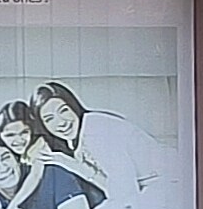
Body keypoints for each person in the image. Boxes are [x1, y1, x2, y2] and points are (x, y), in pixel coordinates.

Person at [34, 81, 162, 201]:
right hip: (147, 190)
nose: (61, 122)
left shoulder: (96, 129)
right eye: (49, 119)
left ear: (74, 106)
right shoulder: (76, 140)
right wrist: (70, 163)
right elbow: (113, 188)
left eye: (64, 110)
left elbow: (126, 194)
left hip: (165, 183)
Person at [0, 99, 108, 209]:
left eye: (24, 132)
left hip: (87, 197)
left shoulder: (40, 144)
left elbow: (35, 176)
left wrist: (12, 207)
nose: (18, 140)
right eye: (10, 135)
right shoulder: (3, 150)